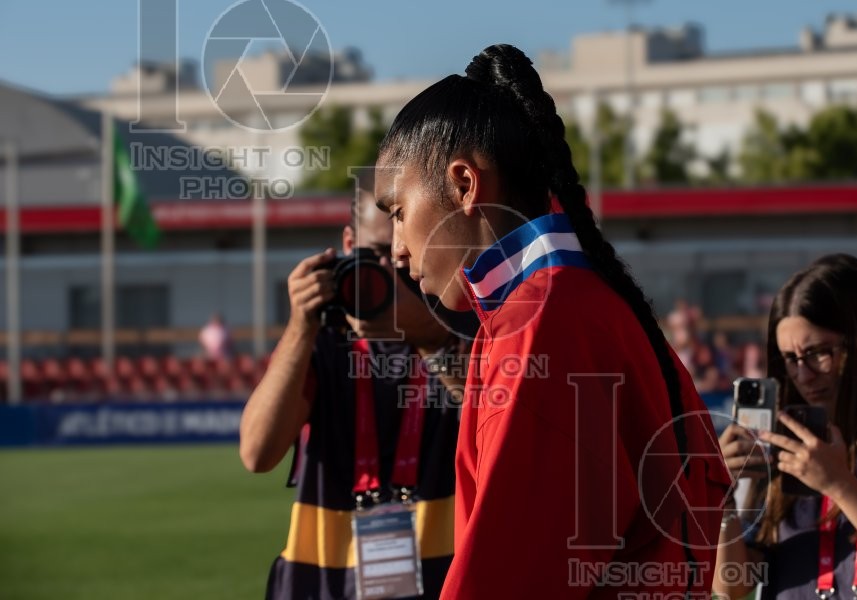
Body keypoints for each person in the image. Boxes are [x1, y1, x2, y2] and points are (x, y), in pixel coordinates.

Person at [374, 44, 730, 598]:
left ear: (465, 185)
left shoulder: (543, 320)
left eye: (397, 213)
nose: (397, 249)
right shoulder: (573, 302)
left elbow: (507, 579)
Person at [239, 179, 468, 600]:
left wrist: (432, 337)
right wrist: (301, 325)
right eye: (375, 254)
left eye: (404, 256)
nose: (390, 273)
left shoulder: (459, 324)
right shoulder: (322, 340)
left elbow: (495, 414)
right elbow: (257, 452)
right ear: (347, 243)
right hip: (321, 582)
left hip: (443, 581)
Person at [714, 253, 857, 600]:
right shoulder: (783, 440)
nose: (803, 375)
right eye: (790, 359)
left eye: (818, 353)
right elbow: (732, 587)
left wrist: (839, 485)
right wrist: (721, 501)